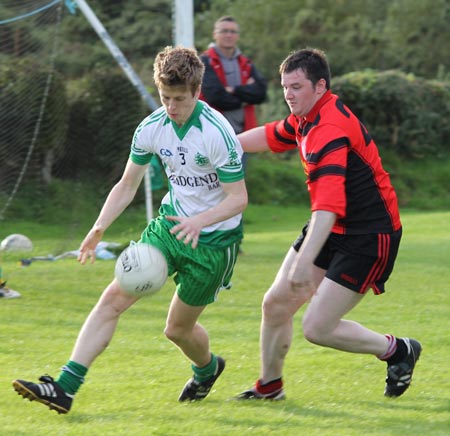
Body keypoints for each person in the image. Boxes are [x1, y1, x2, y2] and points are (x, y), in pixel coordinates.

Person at [12, 46, 248, 414]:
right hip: (170, 227)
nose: (171, 107)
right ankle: (64, 388)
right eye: (165, 97)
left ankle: (207, 369)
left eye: (179, 99)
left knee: (177, 331)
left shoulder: (218, 133)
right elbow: (127, 183)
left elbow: (239, 199)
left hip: (214, 242)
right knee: (112, 299)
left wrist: (199, 221)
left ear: (197, 92)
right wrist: (99, 227)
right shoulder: (152, 127)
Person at [235, 48, 421, 401]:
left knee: (317, 327)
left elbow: (328, 208)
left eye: (297, 86)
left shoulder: (329, 128)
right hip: (332, 226)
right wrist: (223, 146)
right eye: (285, 86)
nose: (288, 94)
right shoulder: (307, 117)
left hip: (369, 235)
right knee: (275, 304)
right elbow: (273, 135)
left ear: (320, 87)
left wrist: (305, 263)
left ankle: (398, 351)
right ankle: (269, 386)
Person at [199, 16, 267, 168]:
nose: (229, 35)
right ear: (214, 34)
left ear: (238, 36)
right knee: (211, 186)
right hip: (213, 136)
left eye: (232, 31)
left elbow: (261, 93)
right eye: (224, 31)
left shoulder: (246, 63)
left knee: (236, 186)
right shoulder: (204, 61)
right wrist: (246, 98)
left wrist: (234, 90)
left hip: (241, 138)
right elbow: (216, 97)